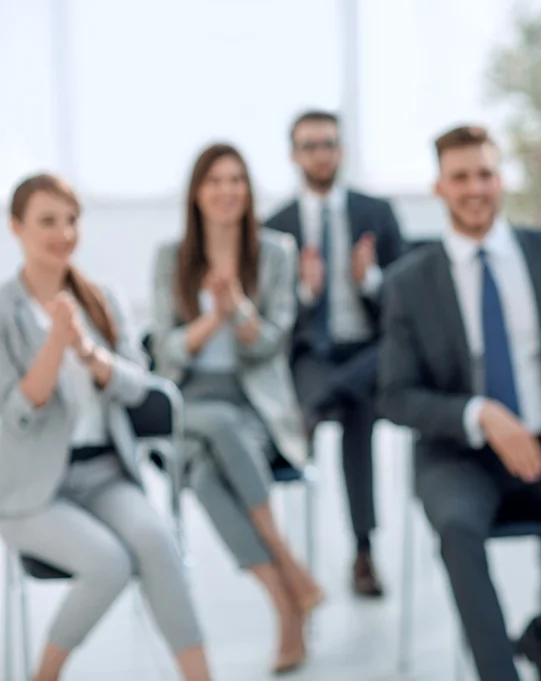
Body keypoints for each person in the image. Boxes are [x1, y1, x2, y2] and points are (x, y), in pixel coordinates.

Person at [378, 125, 541, 681]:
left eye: (485, 174)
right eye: (460, 177)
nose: (475, 188)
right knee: (457, 529)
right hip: (457, 456)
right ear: (439, 187)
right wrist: (478, 413)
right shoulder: (408, 281)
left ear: (501, 180)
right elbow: (395, 395)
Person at [0, 174, 213, 681]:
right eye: (47, 221)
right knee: (109, 563)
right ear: (16, 227)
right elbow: (16, 414)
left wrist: (89, 352)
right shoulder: (5, 312)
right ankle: (44, 676)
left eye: (72, 220)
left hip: (104, 473)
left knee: (159, 544)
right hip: (30, 490)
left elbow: (139, 388)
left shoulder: (102, 299)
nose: (64, 233)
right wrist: (55, 346)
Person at [151, 144, 323, 674]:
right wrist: (211, 320)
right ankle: (288, 573)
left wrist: (238, 308)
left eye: (236, 180)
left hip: (252, 403)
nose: (227, 191)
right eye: (215, 181)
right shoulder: (171, 257)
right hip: (190, 400)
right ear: (196, 193)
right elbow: (164, 351)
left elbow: (272, 342)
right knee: (214, 427)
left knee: (205, 476)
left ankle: (283, 603)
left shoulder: (275, 252)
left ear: (248, 191)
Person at [265, 110, 405, 597]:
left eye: (328, 144)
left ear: (341, 150)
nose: (321, 154)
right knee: (357, 403)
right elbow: (273, 317)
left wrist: (371, 280)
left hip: (370, 349)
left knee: (355, 392)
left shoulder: (377, 214)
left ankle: (309, 414)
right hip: (314, 353)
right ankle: (364, 552)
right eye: (310, 146)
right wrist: (305, 292)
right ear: (294, 155)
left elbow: (408, 305)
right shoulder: (276, 227)